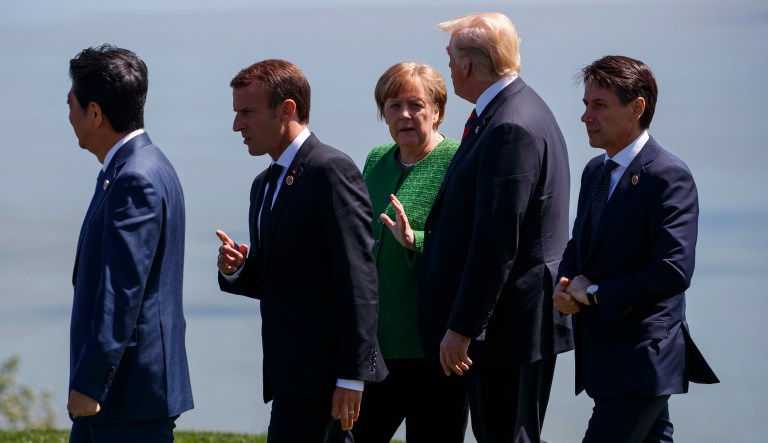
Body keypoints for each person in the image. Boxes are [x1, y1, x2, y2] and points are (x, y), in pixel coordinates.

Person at [419, 12, 573, 443]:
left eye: (450, 57)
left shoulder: (510, 126)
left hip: (507, 329)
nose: (447, 67)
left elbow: (496, 241)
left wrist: (464, 327)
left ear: (467, 66)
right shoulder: (511, 111)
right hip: (508, 324)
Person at [215, 59, 387, 442]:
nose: (237, 125)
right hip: (291, 377)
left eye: (247, 112)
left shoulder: (331, 170)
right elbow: (279, 278)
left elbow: (358, 279)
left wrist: (351, 376)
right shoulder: (264, 183)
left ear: (287, 109)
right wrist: (238, 270)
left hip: (327, 382)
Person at [553, 55, 720, 442]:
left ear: (637, 108)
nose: (586, 117)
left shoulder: (668, 175)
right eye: (585, 105)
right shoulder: (596, 169)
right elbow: (580, 243)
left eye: (599, 106)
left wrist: (593, 295)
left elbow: (674, 271)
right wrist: (564, 286)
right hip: (608, 359)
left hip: (642, 362)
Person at [66, 44, 193, 443]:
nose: (68, 115)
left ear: (95, 113)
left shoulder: (134, 177)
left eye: (71, 104)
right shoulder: (137, 166)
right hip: (123, 398)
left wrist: (89, 384)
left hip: (124, 398)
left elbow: (122, 292)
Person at [350, 62, 468, 443]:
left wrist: (414, 240)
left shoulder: (458, 160)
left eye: (416, 104)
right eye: (393, 105)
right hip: (377, 346)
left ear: (437, 111)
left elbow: (473, 245)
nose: (404, 114)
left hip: (434, 349)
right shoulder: (375, 159)